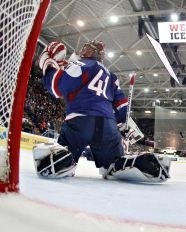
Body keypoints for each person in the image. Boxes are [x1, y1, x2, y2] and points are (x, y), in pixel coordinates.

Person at [33, 40, 170, 182]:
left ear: (93, 53)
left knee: (65, 153)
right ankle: (139, 164)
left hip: (80, 120)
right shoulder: (111, 76)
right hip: (108, 125)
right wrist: (122, 123)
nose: (82, 50)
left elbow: (56, 86)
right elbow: (122, 105)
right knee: (113, 164)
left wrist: (48, 66)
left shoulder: (80, 65)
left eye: (86, 48)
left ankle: (60, 162)